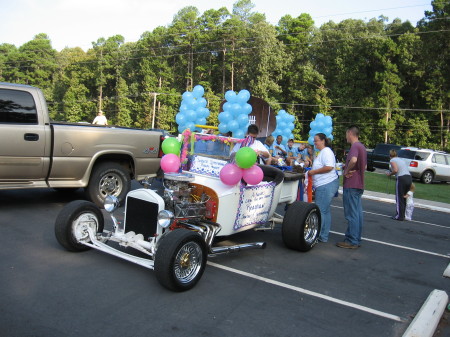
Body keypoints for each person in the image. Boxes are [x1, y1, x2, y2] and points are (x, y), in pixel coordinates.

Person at [337, 125, 367, 249]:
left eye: (346, 134)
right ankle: (356, 238)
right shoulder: (362, 147)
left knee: (351, 214)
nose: (346, 137)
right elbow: (363, 167)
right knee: (357, 213)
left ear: (350, 133)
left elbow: (353, 160)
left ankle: (351, 240)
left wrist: (346, 170)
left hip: (351, 184)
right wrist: (347, 166)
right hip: (359, 183)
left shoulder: (355, 146)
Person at [308, 133, 339, 243]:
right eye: (314, 141)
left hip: (326, 184)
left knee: (321, 210)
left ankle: (319, 234)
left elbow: (329, 167)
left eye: (316, 141)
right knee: (325, 211)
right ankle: (323, 235)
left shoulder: (326, 152)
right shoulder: (323, 152)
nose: (315, 143)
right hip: (325, 184)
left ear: (323, 141)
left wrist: (313, 172)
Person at [386, 149, 412, 221]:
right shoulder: (400, 159)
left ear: (390, 155)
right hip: (409, 178)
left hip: (401, 178)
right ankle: (403, 215)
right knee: (404, 197)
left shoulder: (392, 160)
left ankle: (399, 216)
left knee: (399, 197)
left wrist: (389, 174)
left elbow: (396, 170)